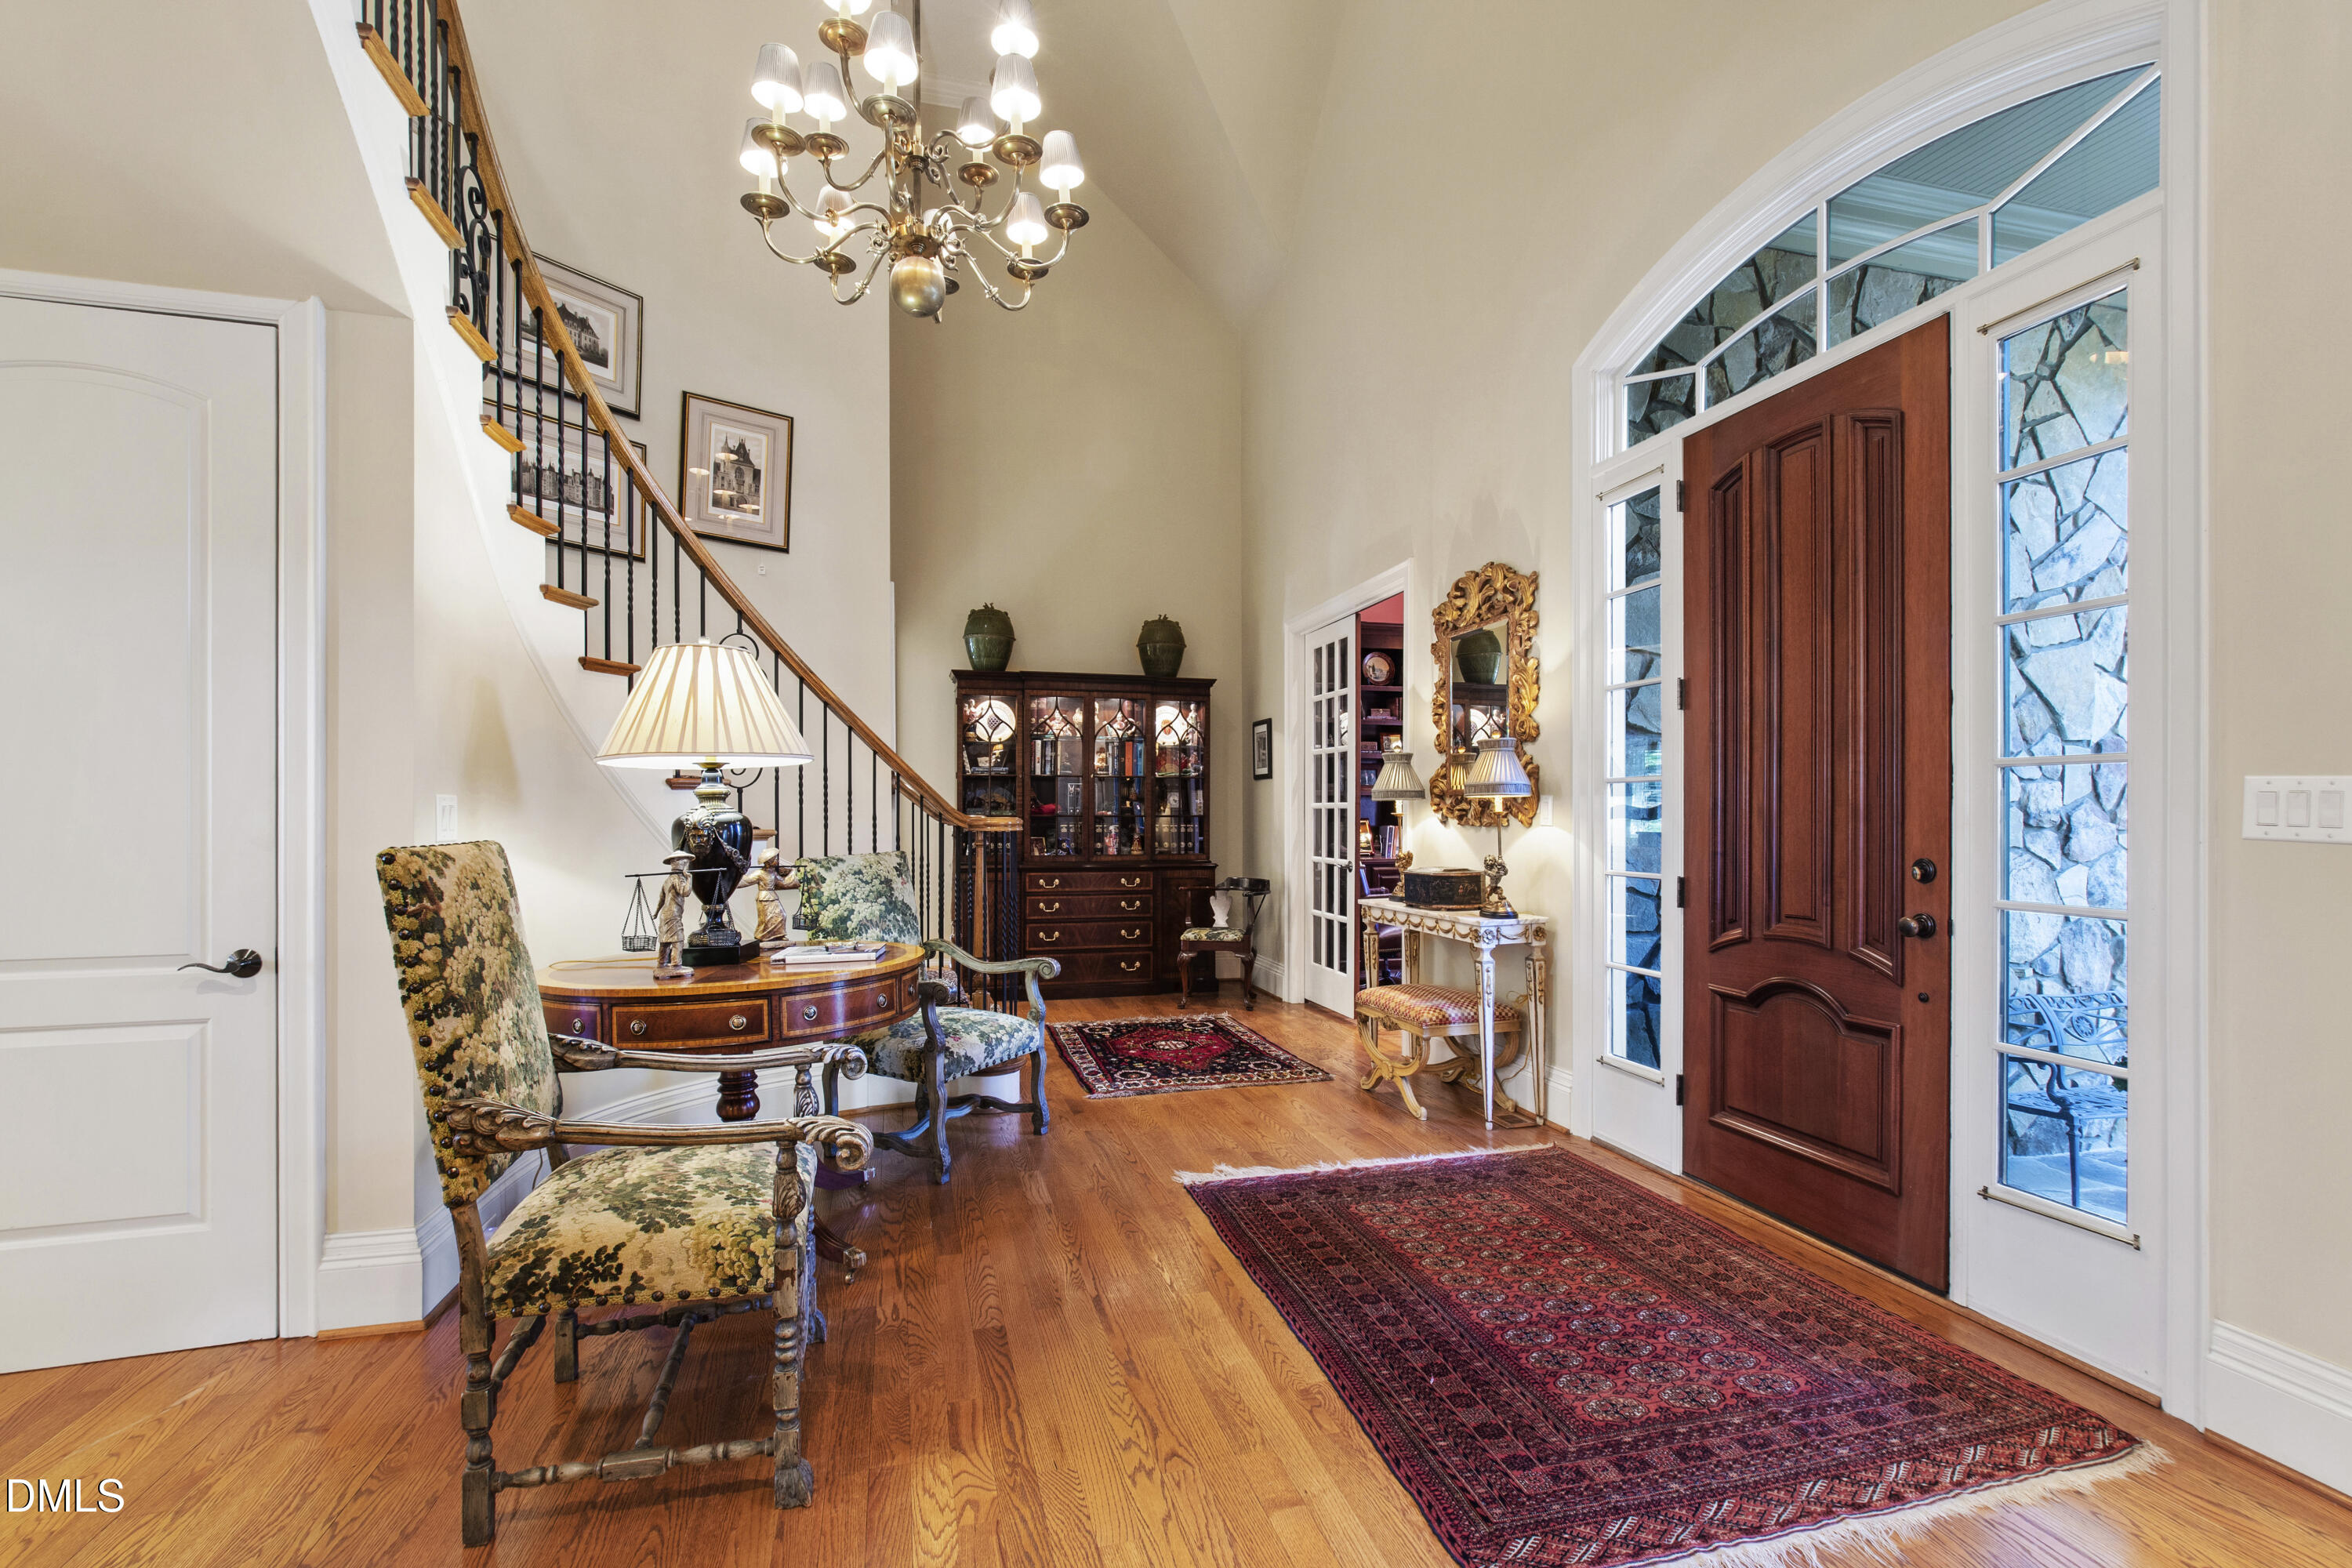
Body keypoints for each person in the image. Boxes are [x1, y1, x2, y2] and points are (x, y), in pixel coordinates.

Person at [652, 851, 694, 975]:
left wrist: (656, 913)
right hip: (673, 914)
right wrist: (689, 878)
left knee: (665, 941)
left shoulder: (668, 879)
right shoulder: (678, 878)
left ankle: (662, 963)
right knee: (678, 940)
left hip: (665, 914)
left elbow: (661, 899)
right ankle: (676, 965)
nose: (687, 865)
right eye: (685, 862)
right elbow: (685, 892)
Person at [747, 845, 793, 946]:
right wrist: (735, 879)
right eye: (775, 859)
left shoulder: (773, 873)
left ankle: (779, 935)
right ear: (769, 861)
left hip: (773, 896)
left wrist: (793, 874)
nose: (777, 860)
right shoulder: (760, 873)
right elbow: (747, 881)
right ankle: (764, 936)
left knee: (782, 915)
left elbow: (783, 883)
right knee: (766, 919)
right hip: (764, 898)